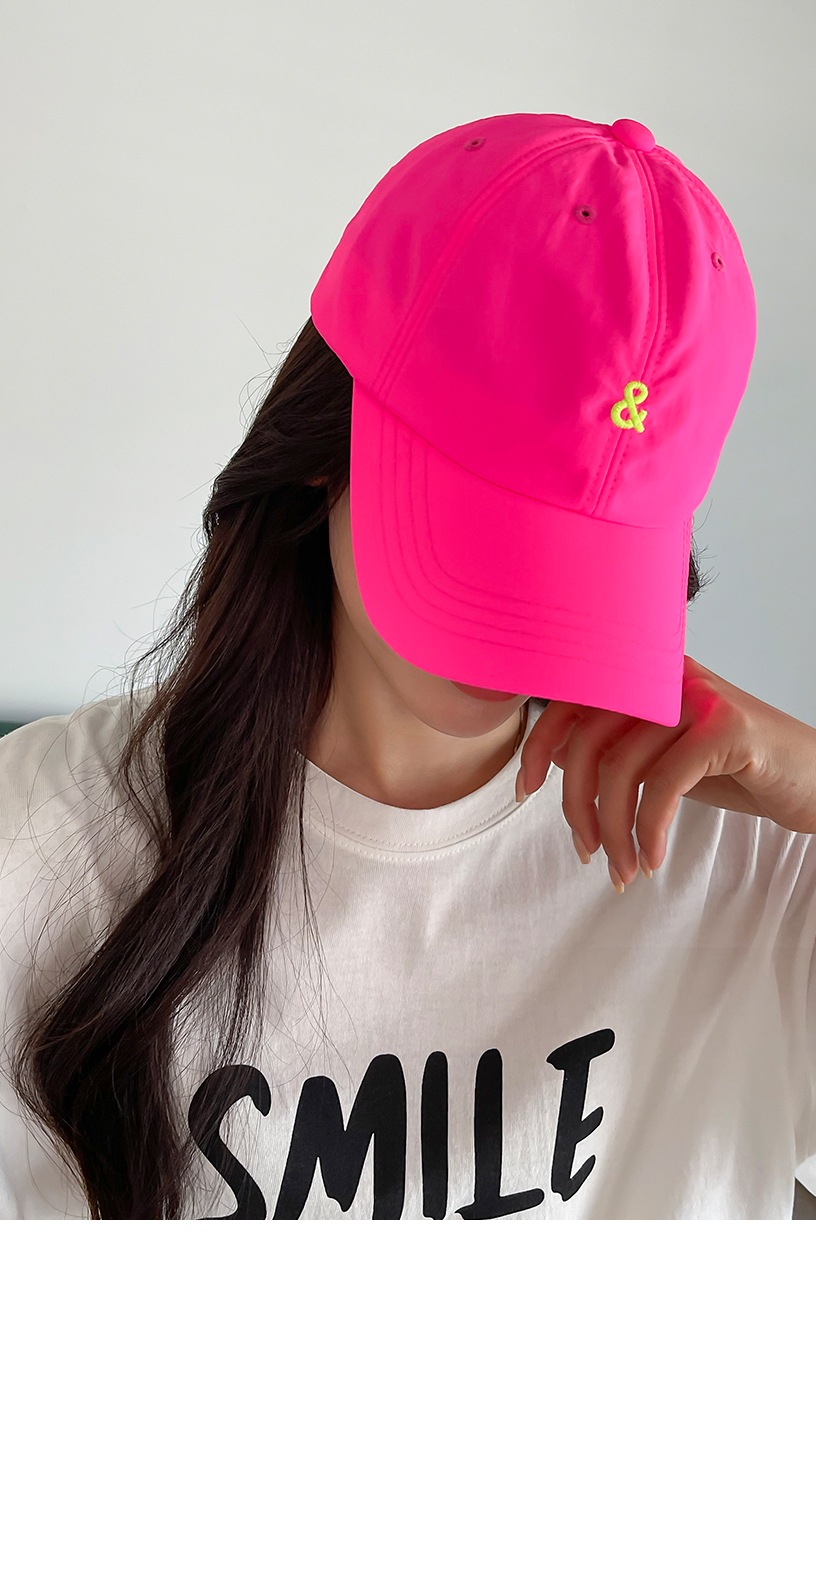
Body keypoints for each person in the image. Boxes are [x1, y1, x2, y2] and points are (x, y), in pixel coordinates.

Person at [2, 111, 816, 1220]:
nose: (529, 633)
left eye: (584, 557)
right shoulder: (37, 850)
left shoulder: (757, 867)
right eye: (490, 531)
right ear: (323, 448)